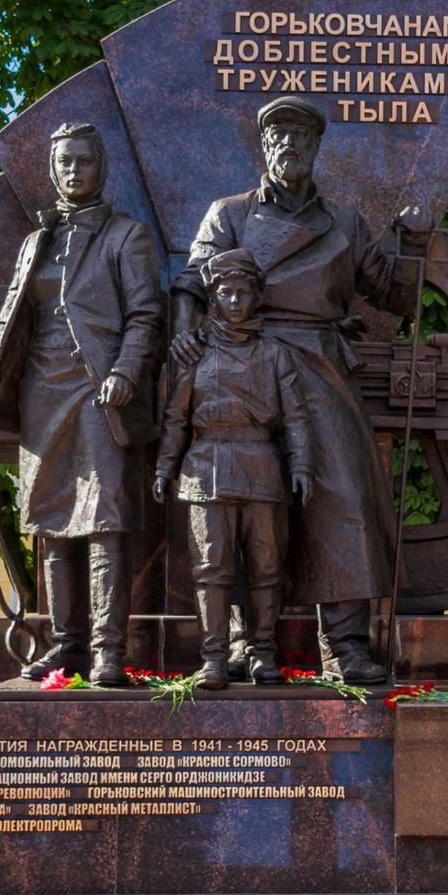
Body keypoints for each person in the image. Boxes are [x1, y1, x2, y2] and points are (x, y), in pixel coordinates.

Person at [170, 96, 431, 685]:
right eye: (279, 135)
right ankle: (240, 643)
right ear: (264, 148)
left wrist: (412, 247)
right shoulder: (230, 213)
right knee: (238, 501)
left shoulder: (344, 221)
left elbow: (394, 297)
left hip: (320, 366)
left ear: (316, 149)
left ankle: (344, 646)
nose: (289, 145)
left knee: (342, 499)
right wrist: (185, 339)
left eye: (301, 137)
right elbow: (192, 280)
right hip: (241, 362)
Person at [0, 122, 164, 686]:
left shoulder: (125, 236)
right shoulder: (37, 242)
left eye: (84, 161)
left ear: (100, 168)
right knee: (54, 524)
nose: (73, 171)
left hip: (98, 394)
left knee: (106, 519)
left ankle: (109, 649)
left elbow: (146, 317)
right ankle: (67, 647)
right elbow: (9, 321)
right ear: (52, 170)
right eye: (64, 162)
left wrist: (125, 373)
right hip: (42, 392)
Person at [154, 250, 313, 689]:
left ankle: (263, 653)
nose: (236, 301)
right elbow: (176, 419)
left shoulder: (276, 354)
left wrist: (301, 465)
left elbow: (296, 417)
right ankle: (214, 659)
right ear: (213, 300)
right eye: (226, 293)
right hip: (206, 471)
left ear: (257, 297)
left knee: (266, 568)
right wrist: (164, 468)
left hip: (263, 469)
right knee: (212, 569)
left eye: (244, 292)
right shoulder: (194, 354)